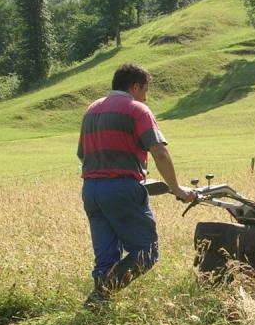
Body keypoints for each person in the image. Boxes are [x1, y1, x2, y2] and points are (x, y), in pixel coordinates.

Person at [77, 63, 195, 308]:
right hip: (121, 189)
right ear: (135, 86)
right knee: (146, 252)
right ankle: (99, 298)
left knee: (106, 260)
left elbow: (82, 154)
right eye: (145, 89)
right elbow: (159, 151)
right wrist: (176, 188)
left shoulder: (91, 111)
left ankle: (98, 314)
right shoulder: (137, 109)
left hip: (91, 190)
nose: (146, 96)